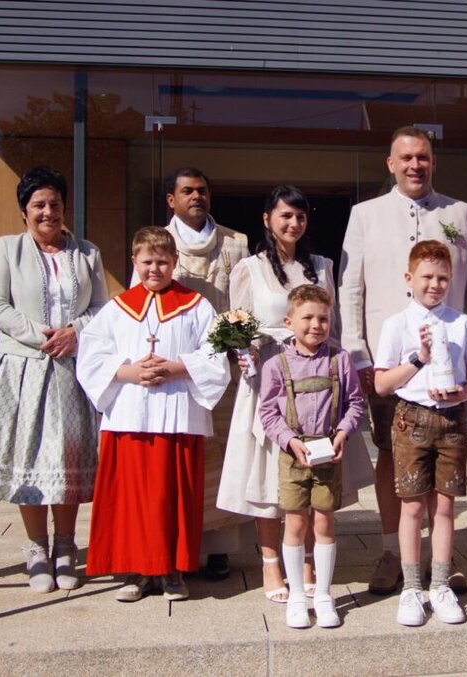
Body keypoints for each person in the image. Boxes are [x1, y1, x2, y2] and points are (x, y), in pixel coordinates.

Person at [339, 125, 467, 595]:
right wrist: (359, 354)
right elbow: (351, 287)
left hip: (450, 363)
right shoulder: (364, 214)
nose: (414, 165)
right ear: (391, 163)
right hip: (391, 362)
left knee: (443, 461)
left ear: (433, 161)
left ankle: (439, 558)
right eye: (405, 157)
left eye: (423, 157)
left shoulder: (459, 212)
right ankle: (391, 552)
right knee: (393, 457)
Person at [0, 167, 107, 593]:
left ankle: (67, 547)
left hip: (72, 370)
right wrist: (42, 336)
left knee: (68, 459)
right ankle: (37, 548)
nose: (48, 212)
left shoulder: (87, 252)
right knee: (31, 458)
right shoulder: (7, 249)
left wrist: (75, 331)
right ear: (24, 211)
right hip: (23, 369)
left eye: (55, 204)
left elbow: (101, 308)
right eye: (38, 204)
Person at [217, 186, 372, 604]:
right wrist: (245, 351)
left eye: (300, 217)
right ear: (267, 219)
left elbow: (332, 326)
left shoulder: (321, 265)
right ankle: (271, 564)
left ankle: (306, 557)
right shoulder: (248, 268)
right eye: (285, 216)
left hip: (318, 382)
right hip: (269, 377)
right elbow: (238, 329)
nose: (293, 224)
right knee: (269, 476)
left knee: (316, 473)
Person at [76, 226, 231, 603]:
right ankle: (134, 570)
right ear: (134, 261)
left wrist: (175, 368)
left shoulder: (196, 306)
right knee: (131, 497)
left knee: (171, 496)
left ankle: (172, 571)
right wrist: (131, 372)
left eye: (163, 261)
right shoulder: (117, 308)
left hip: (177, 415)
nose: (155, 269)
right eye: (147, 261)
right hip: (129, 415)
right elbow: (90, 357)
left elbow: (215, 358)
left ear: (175, 262)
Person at [374, 240, 467, 626]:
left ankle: (439, 583)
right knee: (411, 505)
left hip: (451, 420)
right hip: (411, 419)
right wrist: (418, 360)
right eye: (427, 276)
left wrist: (464, 392)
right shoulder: (395, 324)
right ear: (409, 278)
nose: (435, 284)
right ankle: (411, 588)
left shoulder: (461, 323)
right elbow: (382, 385)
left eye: (442, 277)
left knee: (444, 506)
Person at [153, 167, 251, 581]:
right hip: (176, 369)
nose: (197, 197)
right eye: (187, 191)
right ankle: (178, 544)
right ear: (171, 200)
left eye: (203, 191)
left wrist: (235, 345)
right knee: (181, 458)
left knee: (223, 455)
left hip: (223, 367)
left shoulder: (236, 242)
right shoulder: (157, 240)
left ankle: (219, 550)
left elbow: (244, 302)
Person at [258, 284, 365, 629]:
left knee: (324, 522)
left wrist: (343, 433)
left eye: (323, 318)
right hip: (293, 455)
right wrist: (290, 441)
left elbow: (355, 404)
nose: (316, 325)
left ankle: (323, 594)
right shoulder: (276, 365)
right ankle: (298, 599)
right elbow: (269, 414)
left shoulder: (339, 359)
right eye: (307, 318)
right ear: (289, 322)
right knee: (295, 522)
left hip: (328, 455)